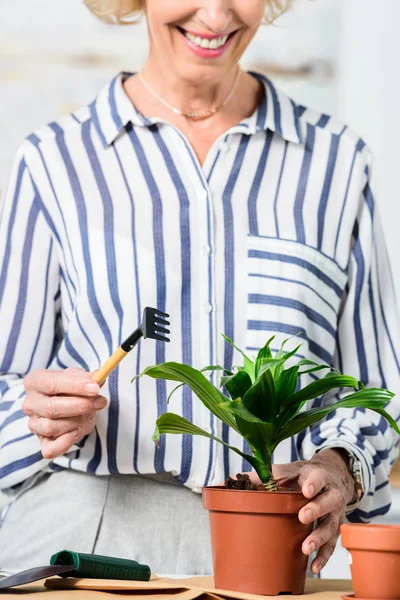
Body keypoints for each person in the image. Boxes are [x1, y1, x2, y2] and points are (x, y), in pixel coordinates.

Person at [0, 0, 399, 578]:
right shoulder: (54, 162)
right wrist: (41, 416)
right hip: (89, 534)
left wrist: (341, 466)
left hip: (286, 544)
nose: (214, 14)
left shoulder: (337, 164)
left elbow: (376, 393)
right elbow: (6, 382)